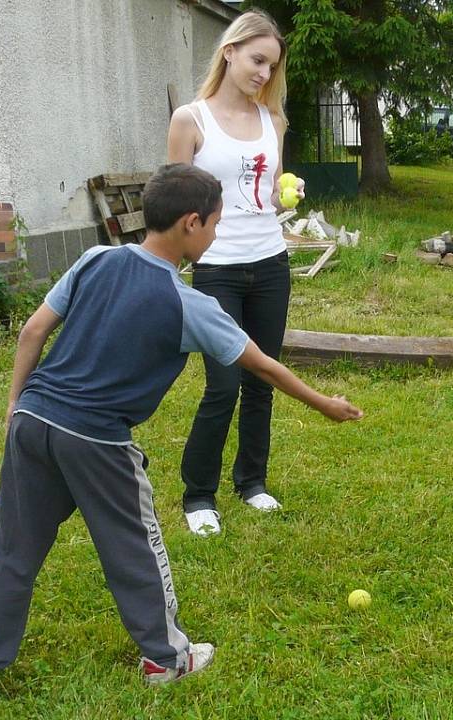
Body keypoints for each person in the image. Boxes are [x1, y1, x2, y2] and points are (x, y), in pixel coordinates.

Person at [0, 163, 362, 702]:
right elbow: (263, 365)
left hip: (33, 420)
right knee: (135, 550)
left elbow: (32, 331)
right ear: (192, 223)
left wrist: (14, 407)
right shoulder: (191, 306)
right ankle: (168, 659)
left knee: (12, 549)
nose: (215, 234)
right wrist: (323, 403)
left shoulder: (96, 258)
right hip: (98, 439)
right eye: (215, 224)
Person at [167, 10, 302, 536]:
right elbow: (173, 203)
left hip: (270, 263)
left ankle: (252, 482)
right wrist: (170, 273)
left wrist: (286, 193)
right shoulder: (190, 120)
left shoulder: (274, 122)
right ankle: (199, 495)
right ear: (230, 52)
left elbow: (266, 195)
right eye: (257, 60)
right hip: (217, 271)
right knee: (222, 386)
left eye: (271, 66)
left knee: (262, 379)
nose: (265, 74)